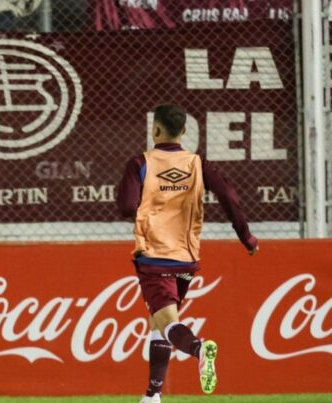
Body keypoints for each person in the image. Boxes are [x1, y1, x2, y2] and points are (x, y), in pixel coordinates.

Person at [117, 104, 258, 403]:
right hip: (186, 259)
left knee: (167, 321)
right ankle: (152, 396)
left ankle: (198, 347)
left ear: (155, 130)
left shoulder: (140, 162)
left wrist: (149, 210)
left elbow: (126, 206)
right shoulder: (198, 164)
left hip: (154, 257)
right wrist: (246, 236)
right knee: (160, 319)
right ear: (183, 132)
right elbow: (229, 196)